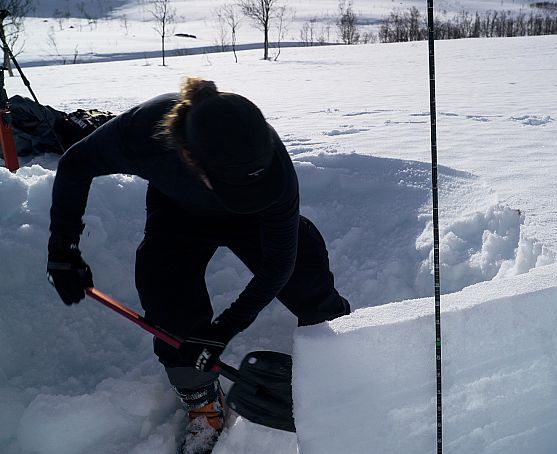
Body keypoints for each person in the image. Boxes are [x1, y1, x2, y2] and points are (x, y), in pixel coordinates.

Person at [46, 77, 351, 451]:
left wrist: (225, 328)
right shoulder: (143, 133)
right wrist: (63, 249)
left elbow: (278, 263)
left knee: (307, 277)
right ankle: (201, 402)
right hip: (179, 212)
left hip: (254, 217)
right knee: (167, 299)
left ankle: (340, 353)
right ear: (190, 157)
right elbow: (76, 163)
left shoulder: (271, 170)